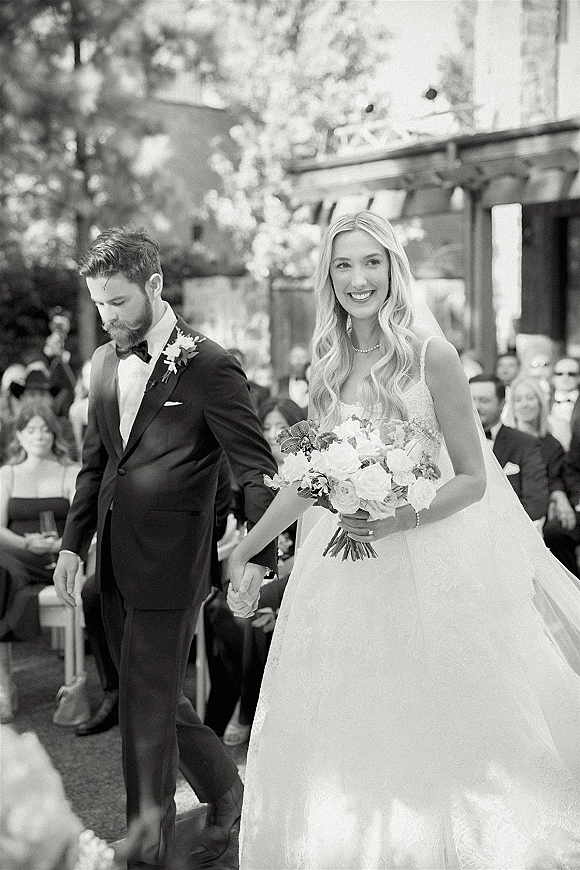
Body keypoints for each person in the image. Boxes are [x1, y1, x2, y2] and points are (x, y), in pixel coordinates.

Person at [226, 211, 580, 869]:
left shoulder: (431, 354)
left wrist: (397, 518)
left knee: (437, 722)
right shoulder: (327, 366)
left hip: (424, 562)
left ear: (393, 268)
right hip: (341, 571)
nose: (358, 279)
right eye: (343, 265)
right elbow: (308, 480)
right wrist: (249, 546)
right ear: (328, 278)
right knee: (352, 725)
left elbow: (473, 479)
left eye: (370, 262)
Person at [52, 226, 278, 870]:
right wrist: (74, 545)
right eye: (98, 302)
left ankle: (146, 845)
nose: (108, 316)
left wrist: (256, 560)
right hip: (112, 568)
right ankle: (231, 796)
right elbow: (98, 466)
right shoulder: (101, 363)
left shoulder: (209, 364)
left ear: (154, 285)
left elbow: (256, 471)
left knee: (146, 707)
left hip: (174, 564)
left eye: (118, 302)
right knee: (153, 697)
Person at [0, 404, 80, 723]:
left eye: (45, 429)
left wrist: (62, 545)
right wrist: (27, 543)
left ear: (55, 434)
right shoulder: (6, 474)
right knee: (2, 568)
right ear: (19, 435)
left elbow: (84, 521)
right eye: (31, 429)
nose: (39, 436)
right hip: (17, 554)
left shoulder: (69, 471)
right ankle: (3, 681)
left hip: (60, 556)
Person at [506, 375, 580, 578]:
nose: (524, 404)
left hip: (541, 507)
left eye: (530, 398)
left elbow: (557, 477)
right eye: (519, 399)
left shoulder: (551, 444)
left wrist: (559, 498)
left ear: (540, 402)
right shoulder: (505, 440)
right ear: (511, 405)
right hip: (508, 508)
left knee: (553, 532)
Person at [469, 373, 549, 524]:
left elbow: (536, 503)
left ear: (502, 404)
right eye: (472, 400)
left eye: (484, 401)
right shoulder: (449, 442)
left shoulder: (524, 444)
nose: (476, 407)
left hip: (509, 528)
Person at [549, 355, 580, 450]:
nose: (565, 377)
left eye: (571, 374)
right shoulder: (543, 402)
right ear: (552, 377)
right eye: (559, 373)